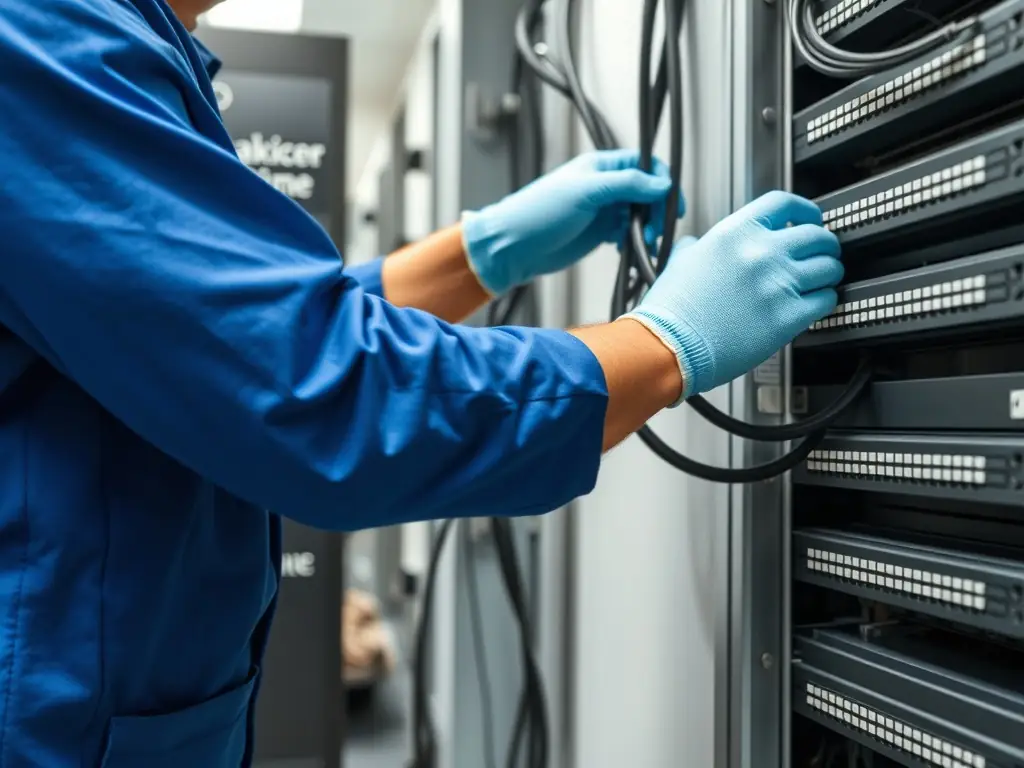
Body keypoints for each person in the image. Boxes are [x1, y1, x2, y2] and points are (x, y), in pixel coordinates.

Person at [0, 0, 843, 765]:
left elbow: (220, 337)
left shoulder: (114, 42)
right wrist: (662, 346)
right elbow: (312, 392)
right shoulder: (41, 31)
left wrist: (477, 254)